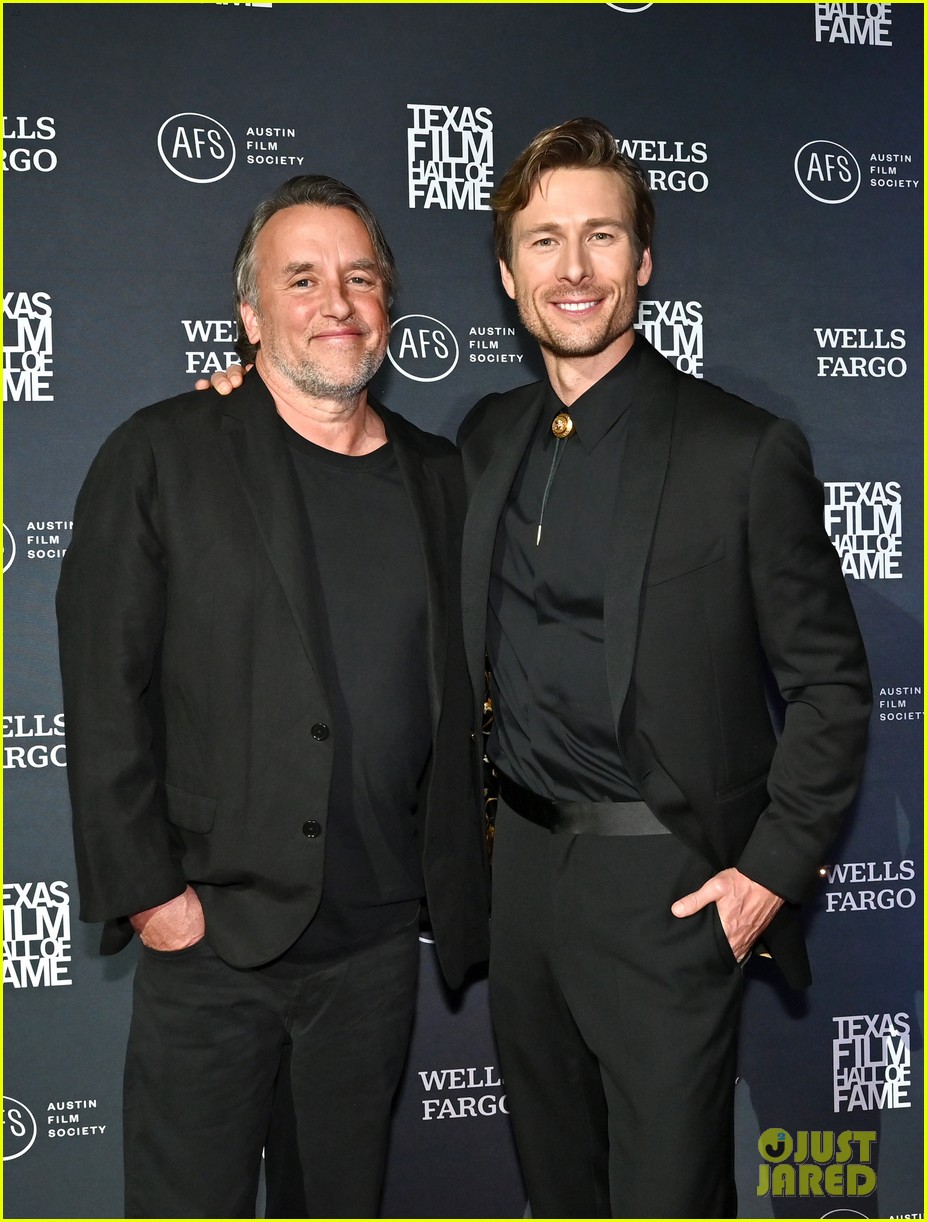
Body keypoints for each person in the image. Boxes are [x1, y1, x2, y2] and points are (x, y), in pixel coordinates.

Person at [454, 118, 872, 1218]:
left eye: (602, 236)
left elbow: (832, 684)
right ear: (508, 273)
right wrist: (248, 401)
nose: (574, 268)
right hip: (524, 880)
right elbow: (351, 466)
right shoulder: (485, 436)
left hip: (671, 886)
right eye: (544, 241)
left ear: (644, 260)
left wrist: (769, 874)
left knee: (667, 1200)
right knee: (561, 1191)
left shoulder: (743, 451)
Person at [56, 175, 489, 1219]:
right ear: (249, 313)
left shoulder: (445, 477)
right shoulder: (163, 454)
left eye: (360, 277)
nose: (336, 301)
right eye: (302, 278)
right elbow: (104, 689)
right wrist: (156, 902)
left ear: (388, 303)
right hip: (213, 942)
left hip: (377, 949)